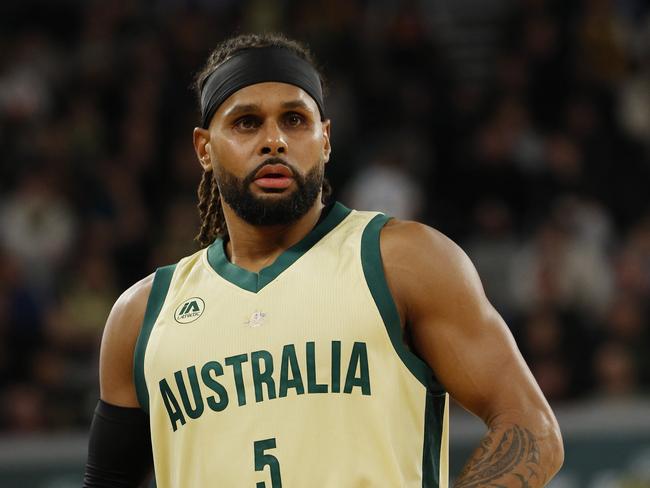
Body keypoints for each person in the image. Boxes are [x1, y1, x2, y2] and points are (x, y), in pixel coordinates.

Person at [83, 33, 563, 488]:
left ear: (325, 139)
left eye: (294, 120)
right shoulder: (143, 314)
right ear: (204, 148)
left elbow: (531, 426)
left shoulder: (401, 260)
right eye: (246, 122)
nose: (274, 141)